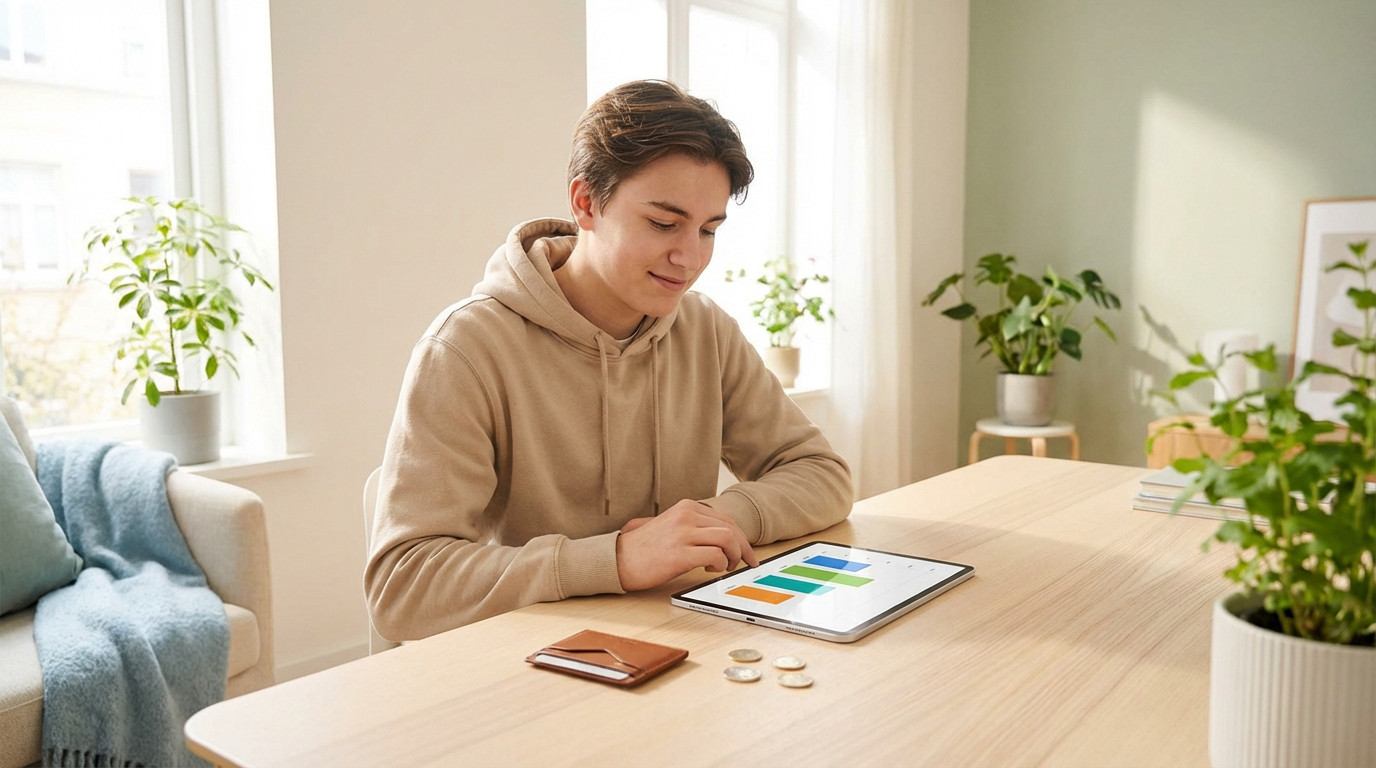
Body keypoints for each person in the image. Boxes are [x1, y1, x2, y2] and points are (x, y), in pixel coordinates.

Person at [365, 79, 853, 641]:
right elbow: (402, 588)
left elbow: (822, 474)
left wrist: (716, 522)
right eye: (663, 223)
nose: (689, 257)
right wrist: (616, 559)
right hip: (534, 659)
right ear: (585, 203)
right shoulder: (466, 348)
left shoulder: (704, 329)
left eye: (708, 230)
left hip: (678, 639)